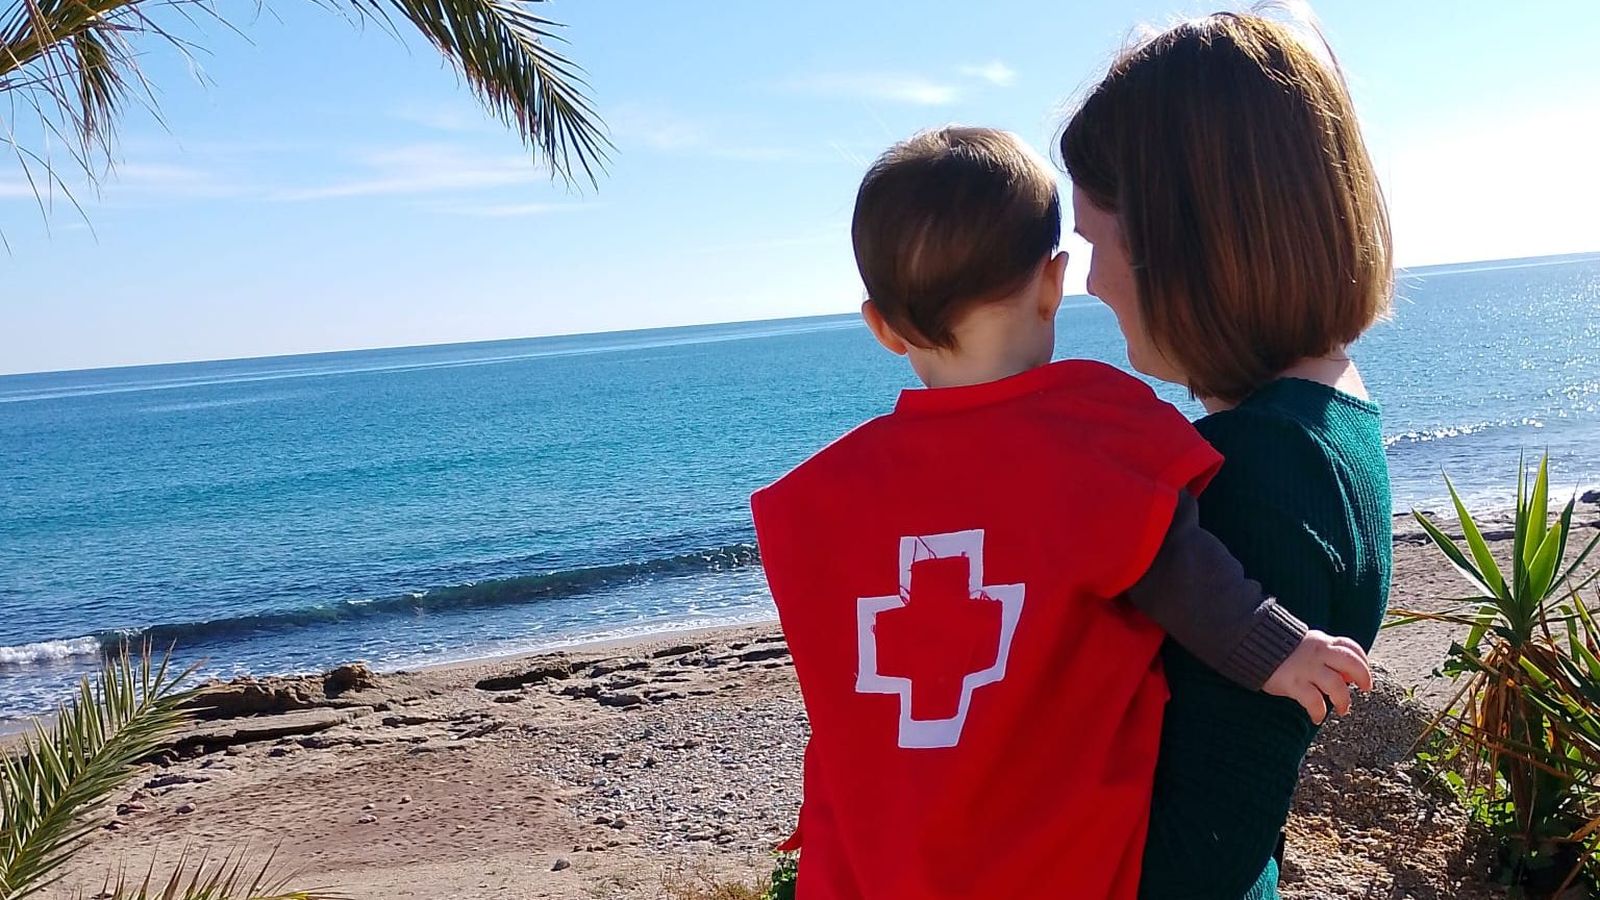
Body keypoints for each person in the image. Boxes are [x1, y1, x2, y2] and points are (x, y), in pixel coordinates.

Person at [750, 126, 1372, 900]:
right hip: (1045, 858)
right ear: (1052, 283)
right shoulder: (1093, 432)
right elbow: (1176, 565)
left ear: (880, 326)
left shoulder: (826, 497)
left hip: (878, 863)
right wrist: (1280, 650)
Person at [1059, 12, 1395, 899]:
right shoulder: (1330, 428)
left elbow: (1193, 854)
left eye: (1099, 242)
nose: (1089, 284)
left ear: (1195, 242)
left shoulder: (1250, 476)